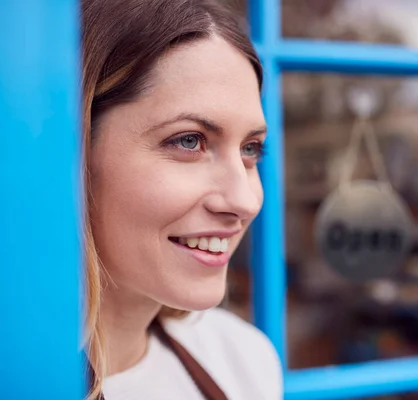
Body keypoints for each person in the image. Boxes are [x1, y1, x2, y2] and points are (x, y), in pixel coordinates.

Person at [81, 0, 282, 398]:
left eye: (250, 149)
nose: (244, 201)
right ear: (76, 150)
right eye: (189, 141)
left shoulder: (242, 359)